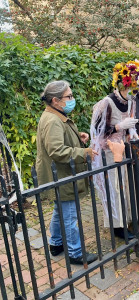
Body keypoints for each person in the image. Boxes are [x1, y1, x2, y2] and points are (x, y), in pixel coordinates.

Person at [36, 80, 98, 264]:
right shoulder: (53, 120)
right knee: (70, 215)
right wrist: (84, 152)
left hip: (60, 174)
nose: (72, 99)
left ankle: (55, 244)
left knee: (60, 209)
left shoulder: (55, 115)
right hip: (62, 175)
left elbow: (60, 140)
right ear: (55, 100)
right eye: (68, 96)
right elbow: (56, 151)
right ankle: (75, 253)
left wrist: (78, 138)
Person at [90, 60, 139, 240]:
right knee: (113, 188)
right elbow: (96, 131)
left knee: (125, 185)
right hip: (107, 151)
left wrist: (131, 132)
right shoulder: (106, 103)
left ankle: (127, 218)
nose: (135, 92)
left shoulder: (131, 102)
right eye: (132, 88)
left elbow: (130, 125)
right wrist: (117, 127)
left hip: (123, 149)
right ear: (124, 84)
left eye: (137, 88)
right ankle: (117, 226)